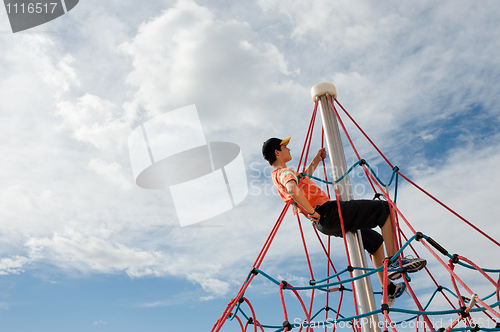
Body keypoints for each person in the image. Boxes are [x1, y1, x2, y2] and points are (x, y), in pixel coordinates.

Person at [262, 136, 427, 306]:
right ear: (277, 152)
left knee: (376, 242)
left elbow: (302, 180)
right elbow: (294, 190)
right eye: (285, 147)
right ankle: (394, 261)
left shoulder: (278, 175)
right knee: (385, 208)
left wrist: (316, 160)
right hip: (327, 212)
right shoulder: (285, 172)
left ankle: (389, 288)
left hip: (325, 224)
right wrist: (312, 211)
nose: (289, 149)